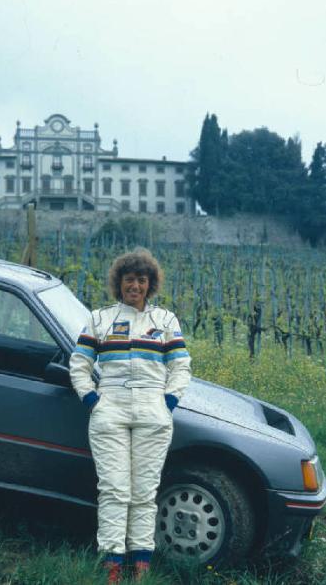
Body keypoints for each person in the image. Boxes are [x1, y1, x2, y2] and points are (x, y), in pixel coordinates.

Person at [69, 248, 191, 583]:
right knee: (113, 490)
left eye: (141, 280)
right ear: (118, 283)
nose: (134, 286)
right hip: (110, 412)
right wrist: (93, 399)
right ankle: (111, 565)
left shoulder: (165, 321)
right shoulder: (99, 319)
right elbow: (79, 364)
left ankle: (140, 566)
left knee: (143, 492)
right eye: (128, 280)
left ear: (150, 284)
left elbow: (180, 366)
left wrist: (168, 402)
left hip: (153, 413)